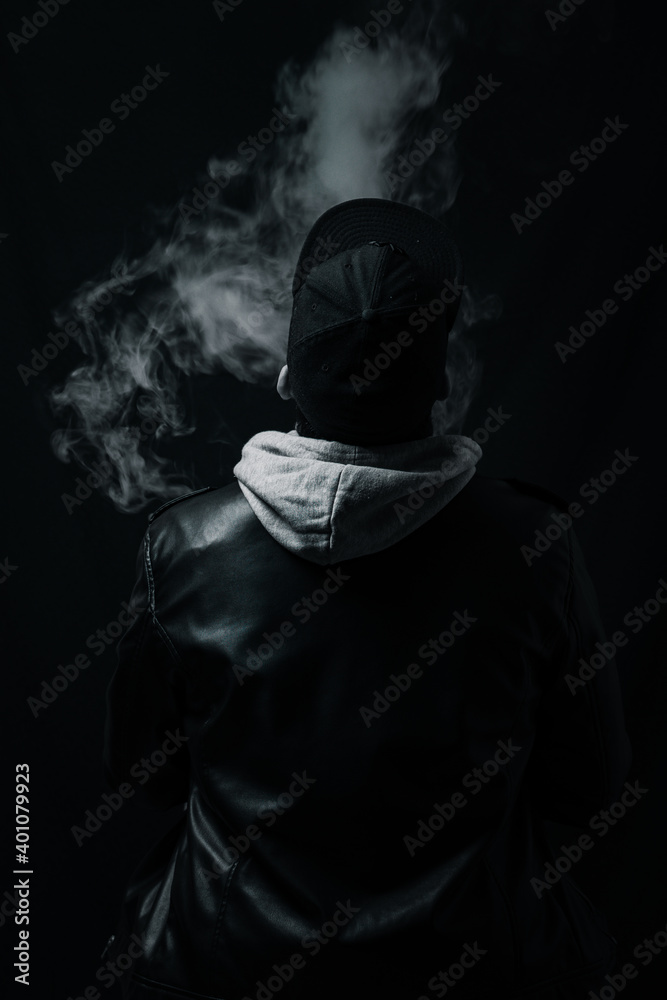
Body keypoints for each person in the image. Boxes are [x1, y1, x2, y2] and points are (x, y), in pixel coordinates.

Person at [103, 198, 632, 1000]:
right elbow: (586, 786)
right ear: (439, 378)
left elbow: (143, 775)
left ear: (289, 369)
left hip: (222, 972)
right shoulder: (532, 545)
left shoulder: (182, 545)